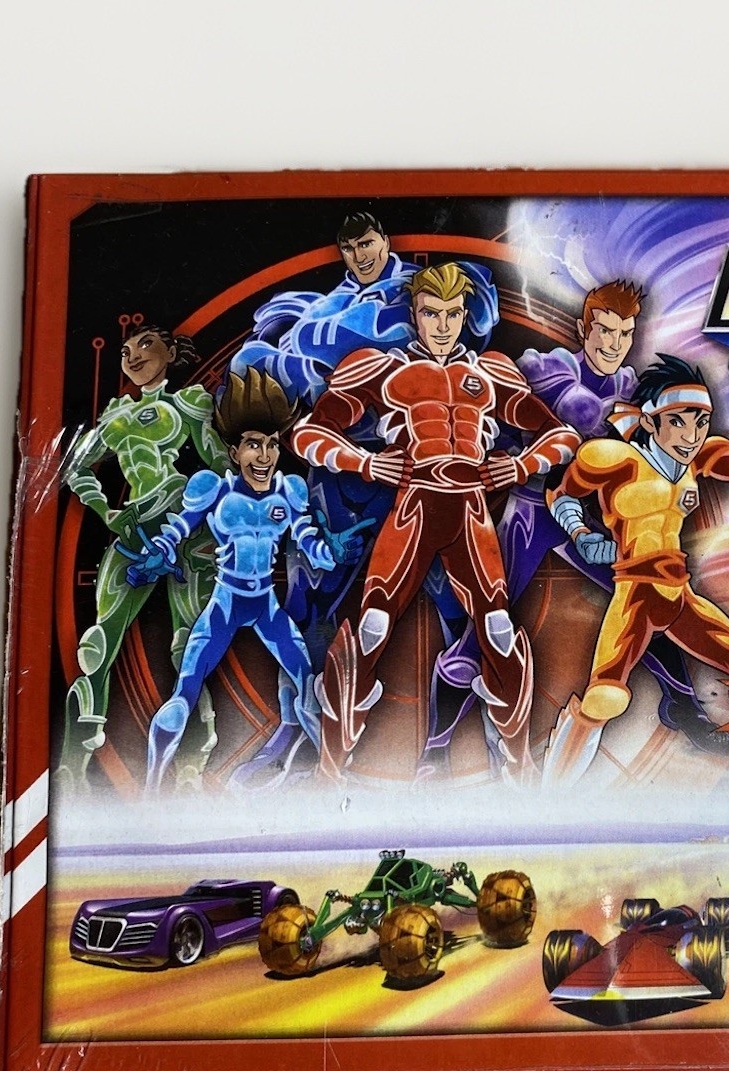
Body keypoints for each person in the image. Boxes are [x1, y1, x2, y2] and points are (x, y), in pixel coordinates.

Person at [227, 212, 498, 781]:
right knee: (312, 608)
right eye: (349, 246)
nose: (361, 253)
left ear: (384, 241)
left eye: (368, 242)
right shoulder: (319, 311)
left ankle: (449, 745)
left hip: (424, 479)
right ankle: (300, 739)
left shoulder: (426, 291)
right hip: (344, 476)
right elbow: (279, 388)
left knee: (461, 610)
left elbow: (478, 335)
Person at [421, 282, 729, 775]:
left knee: (652, 602)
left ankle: (684, 706)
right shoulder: (551, 367)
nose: (613, 343)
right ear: (584, 329)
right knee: (483, 628)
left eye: (624, 334)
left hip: (588, 517)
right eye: (604, 331)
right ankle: (436, 747)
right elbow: (576, 410)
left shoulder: (631, 386)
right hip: (533, 513)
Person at [291, 262, 579, 782]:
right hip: (415, 503)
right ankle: (330, 769)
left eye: (452, 314)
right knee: (373, 625)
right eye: (431, 313)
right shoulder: (382, 369)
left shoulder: (491, 373)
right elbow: (308, 435)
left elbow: (562, 437)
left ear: (464, 316)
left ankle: (519, 768)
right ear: (415, 314)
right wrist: (365, 462)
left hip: (469, 509)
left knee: (498, 629)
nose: (442, 325)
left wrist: (519, 465)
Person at [541, 355, 729, 786]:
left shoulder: (695, 459)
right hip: (636, 595)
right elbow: (559, 491)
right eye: (678, 422)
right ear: (650, 421)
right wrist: (580, 533)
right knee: (606, 697)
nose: (691, 435)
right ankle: (549, 792)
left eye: (700, 422)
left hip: (680, 595)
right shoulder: (612, 458)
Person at [121, 369, 367, 790]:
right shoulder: (214, 489)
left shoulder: (288, 491)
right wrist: (158, 553)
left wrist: (334, 552)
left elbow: (310, 544)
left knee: (308, 687)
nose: (265, 456)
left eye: (271, 444)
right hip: (226, 604)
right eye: (254, 445)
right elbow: (178, 528)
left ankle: (334, 782)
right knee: (185, 693)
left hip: (266, 605)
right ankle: (150, 790)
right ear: (235, 452)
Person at [57, 324, 228, 792]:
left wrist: (208, 516)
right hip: (133, 526)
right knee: (97, 645)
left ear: (171, 352)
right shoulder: (115, 415)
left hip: (183, 525)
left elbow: (220, 466)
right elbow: (75, 466)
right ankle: (72, 766)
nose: (132, 356)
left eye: (146, 344)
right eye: (126, 350)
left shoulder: (188, 403)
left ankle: (191, 762)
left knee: (187, 645)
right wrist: (106, 512)